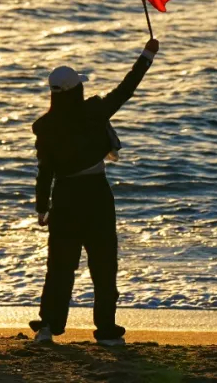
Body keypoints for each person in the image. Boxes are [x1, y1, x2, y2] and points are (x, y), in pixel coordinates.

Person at [28, 38, 160, 346]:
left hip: (64, 197)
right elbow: (126, 89)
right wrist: (146, 56)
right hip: (96, 195)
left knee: (60, 266)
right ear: (78, 90)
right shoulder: (94, 113)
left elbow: (44, 169)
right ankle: (105, 330)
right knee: (103, 264)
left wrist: (42, 206)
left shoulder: (46, 127)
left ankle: (48, 326)